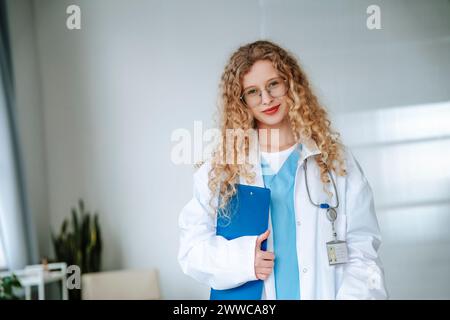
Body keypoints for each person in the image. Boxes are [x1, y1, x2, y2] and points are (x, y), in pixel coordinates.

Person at [177, 40, 388, 300]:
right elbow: (191, 251)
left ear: (291, 83)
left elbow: (362, 251)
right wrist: (244, 260)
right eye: (253, 91)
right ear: (241, 101)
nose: (266, 99)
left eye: (273, 84)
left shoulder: (334, 160)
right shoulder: (221, 169)